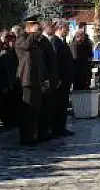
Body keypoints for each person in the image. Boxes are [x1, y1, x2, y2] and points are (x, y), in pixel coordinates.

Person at [15, 18, 45, 146]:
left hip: (36, 79)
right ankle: (26, 136)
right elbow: (25, 46)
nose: (37, 32)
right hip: (26, 80)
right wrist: (32, 34)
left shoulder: (34, 40)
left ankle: (33, 134)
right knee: (27, 110)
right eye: (35, 28)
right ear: (29, 26)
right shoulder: (21, 38)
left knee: (35, 109)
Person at [51, 21, 74, 137]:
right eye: (66, 28)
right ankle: (57, 129)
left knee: (64, 104)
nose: (68, 30)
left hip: (66, 79)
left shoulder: (62, 42)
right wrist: (58, 77)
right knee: (59, 104)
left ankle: (62, 127)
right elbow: (56, 62)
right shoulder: (55, 41)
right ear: (60, 29)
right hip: (60, 79)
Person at [38, 21, 58, 142]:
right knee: (44, 107)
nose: (54, 29)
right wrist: (45, 78)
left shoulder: (49, 40)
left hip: (51, 78)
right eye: (52, 27)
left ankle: (48, 130)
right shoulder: (42, 41)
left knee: (49, 107)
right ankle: (43, 131)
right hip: (45, 79)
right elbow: (43, 62)